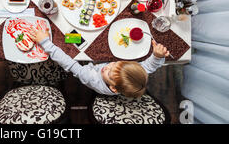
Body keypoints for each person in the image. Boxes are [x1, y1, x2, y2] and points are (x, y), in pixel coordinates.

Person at [29, 27, 171, 98]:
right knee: (76, 35)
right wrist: (158, 56)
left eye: (109, 73)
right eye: (114, 65)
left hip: (89, 67)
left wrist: (46, 43)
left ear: (114, 89)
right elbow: (149, 67)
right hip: (98, 60)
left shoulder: (91, 78)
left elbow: (70, 64)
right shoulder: (133, 73)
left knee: (66, 37)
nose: (108, 67)